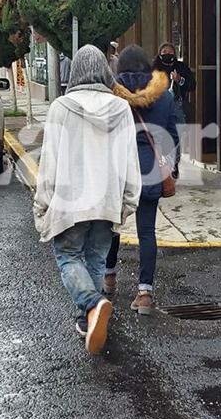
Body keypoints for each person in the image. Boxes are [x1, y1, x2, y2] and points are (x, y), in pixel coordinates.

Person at [33, 45, 142, 354]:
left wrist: (42, 203)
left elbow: (50, 161)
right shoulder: (121, 108)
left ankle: (93, 305)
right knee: (95, 259)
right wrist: (129, 199)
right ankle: (86, 320)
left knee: (68, 256)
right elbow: (129, 160)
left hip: (70, 202)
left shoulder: (61, 107)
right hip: (106, 200)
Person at [106, 45, 180, 315]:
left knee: (112, 226)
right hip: (150, 171)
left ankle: (109, 276)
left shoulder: (112, 95)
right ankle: (145, 292)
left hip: (118, 170)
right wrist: (171, 166)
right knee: (146, 231)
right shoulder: (165, 96)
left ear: (120, 68)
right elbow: (171, 135)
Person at [153, 42, 196, 124]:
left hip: (177, 105)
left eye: (170, 52)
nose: (167, 54)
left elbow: (192, 85)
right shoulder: (154, 68)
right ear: (159, 54)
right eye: (164, 52)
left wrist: (179, 80)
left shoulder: (181, 67)